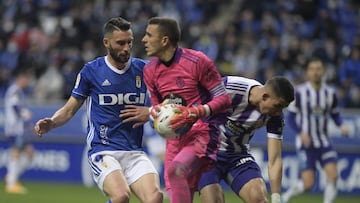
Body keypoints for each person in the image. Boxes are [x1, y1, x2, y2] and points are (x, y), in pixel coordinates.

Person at [33, 17, 163, 203]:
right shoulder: (91, 71)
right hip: (104, 151)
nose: (126, 48)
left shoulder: (144, 69)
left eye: (129, 42)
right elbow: (70, 110)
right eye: (120, 43)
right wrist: (52, 122)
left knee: (155, 198)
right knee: (121, 196)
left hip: (134, 152)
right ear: (106, 42)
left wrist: (150, 111)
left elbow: (168, 101)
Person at [141, 17, 231, 203]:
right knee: (177, 192)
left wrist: (197, 112)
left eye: (149, 35)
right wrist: (154, 114)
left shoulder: (198, 61)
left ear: (164, 40)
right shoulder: (150, 71)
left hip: (203, 133)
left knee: (176, 171)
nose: (144, 39)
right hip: (175, 140)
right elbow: (158, 108)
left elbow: (223, 99)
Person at [198, 76, 295, 203]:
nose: (279, 112)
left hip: (238, 156)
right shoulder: (229, 88)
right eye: (278, 106)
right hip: (206, 154)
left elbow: (275, 159)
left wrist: (276, 198)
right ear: (265, 96)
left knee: (258, 198)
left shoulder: (274, 115)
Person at [282, 58, 349, 203]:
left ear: (323, 71)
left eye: (318, 69)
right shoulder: (300, 93)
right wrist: (301, 132)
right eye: (312, 69)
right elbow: (291, 118)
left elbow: (335, 114)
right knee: (308, 184)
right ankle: (286, 196)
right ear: (307, 72)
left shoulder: (330, 93)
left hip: (324, 142)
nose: (315, 72)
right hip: (306, 144)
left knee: (333, 176)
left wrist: (342, 125)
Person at [4, 71, 34, 194]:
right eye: (26, 80)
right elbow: (15, 107)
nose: (27, 83)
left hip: (20, 127)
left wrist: (28, 125)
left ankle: (12, 176)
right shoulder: (15, 91)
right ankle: (11, 183)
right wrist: (24, 113)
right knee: (16, 151)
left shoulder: (19, 92)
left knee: (29, 153)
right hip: (15, 128)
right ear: (21, 79)